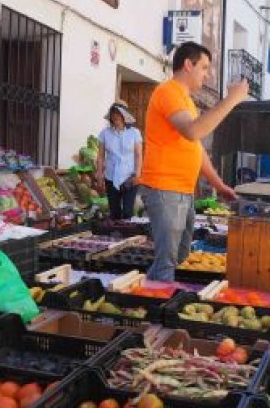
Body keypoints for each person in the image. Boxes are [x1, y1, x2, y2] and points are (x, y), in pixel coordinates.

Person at [139, 41, 248, 281]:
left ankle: (152, 285)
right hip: (165, 187)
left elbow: (195, 148)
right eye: (205, 67)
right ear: (188, 65)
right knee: (167, 260)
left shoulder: (186, 100)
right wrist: (232, 100)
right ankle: (156, 306)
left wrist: (218, 185)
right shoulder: (168, 92)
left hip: (182, 190)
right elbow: (193, 132)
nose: (207, 75)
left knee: (180, 253)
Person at [95, 101, 142, 220]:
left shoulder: (134, 133)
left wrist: (137, 174)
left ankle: (129, 235)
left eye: (118, 113)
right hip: (111, 176)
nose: (115, 116)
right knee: (114, 212)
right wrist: (99, 174)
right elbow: (100, 156)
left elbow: (138, 155)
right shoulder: (105, 133)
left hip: (130, 177)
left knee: (127, 211)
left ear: (124, 116)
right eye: (113, 113)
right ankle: (116, 236)